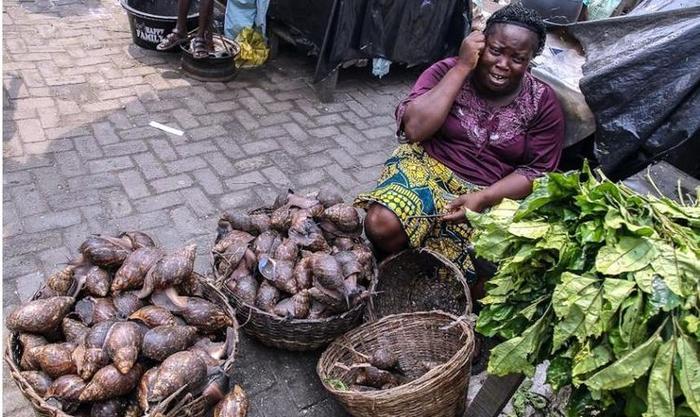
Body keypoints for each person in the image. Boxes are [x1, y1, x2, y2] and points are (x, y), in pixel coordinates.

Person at [355, 4, 565, 300]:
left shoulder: (543, 103)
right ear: (480, 43)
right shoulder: (446, 71)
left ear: (531, 59)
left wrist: (484, 198)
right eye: (495, 51)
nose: (503, 64)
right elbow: (414, 130)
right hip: (427, 168)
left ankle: (422, 275)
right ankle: (394, 263)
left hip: (491, 191)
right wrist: (462, 67)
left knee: (482, 280)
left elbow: (537, 170)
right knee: (381, 223)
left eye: (517, 58)